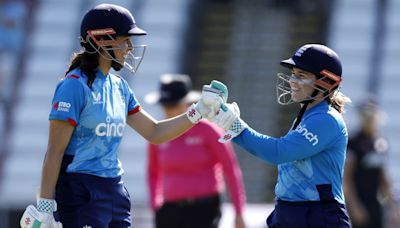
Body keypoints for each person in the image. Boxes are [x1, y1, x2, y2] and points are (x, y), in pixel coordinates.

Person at [19, 3, 228, 228]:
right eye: (124, 39)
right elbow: (55, 150)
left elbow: (155, 132)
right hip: (79, 192)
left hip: (114, 191)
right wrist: (45, 206)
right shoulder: (73, 86)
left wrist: (198, 111)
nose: (129, 47)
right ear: (101, 40)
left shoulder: (119, 86)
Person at [211, 44, 352, 227]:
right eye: (293, 73)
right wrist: (232, 127)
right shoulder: (308, 115)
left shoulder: (326, 119)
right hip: (292, 212)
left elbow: (279, 152)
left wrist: (235, 126)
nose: (293, 80)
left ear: (325, 81)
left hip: (318, 215)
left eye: (301, 75)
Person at [145, 74, 247, 228]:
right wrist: (155, 203)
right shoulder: (160, 133)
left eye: (174, 105)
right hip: (170, 210)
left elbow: (230, 169)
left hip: (204, 209)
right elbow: (153, 172)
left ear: (187, 103)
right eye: (166, 105)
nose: (169, 110)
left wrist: (239, 212)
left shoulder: (208, 130)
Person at [343, 99, 400, 228]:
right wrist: (354, 206)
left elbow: (384, 178)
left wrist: (394, 208)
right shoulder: (353, 142)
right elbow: (346, 179)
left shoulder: (381, 142)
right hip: (359, 205)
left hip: (375, 205)